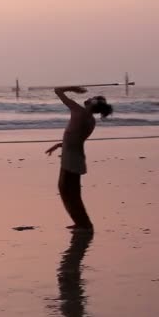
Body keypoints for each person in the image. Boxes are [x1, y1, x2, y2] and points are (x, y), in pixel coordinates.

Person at [45, 86, 113, 231]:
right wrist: (59, 145)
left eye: (91, 99)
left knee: (67, 191)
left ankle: (84, 224)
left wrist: (73, 88)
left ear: (93, 105)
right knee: (71, 192)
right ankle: (81, 222)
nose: (87, 99)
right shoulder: (90, 120)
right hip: (75, 157)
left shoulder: (79, 112)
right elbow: (75, 137)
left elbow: (57, 90)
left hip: (71, 158)